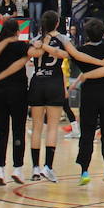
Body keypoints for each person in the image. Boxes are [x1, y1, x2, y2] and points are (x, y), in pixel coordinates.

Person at [66, 19, 104, 185]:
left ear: (86, 34)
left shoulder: (81, 50)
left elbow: (68, 53)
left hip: (89, 95)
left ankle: (84, 171)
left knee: (87, 133)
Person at [22, 11, 70, 182]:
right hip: (54, 82)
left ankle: (35, 167)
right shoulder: (63, 39)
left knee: (36, 128)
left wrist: (41, 45)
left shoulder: (36, 38)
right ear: (57, 23)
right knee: (52, 127)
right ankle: (47, 167)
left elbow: (31, 54)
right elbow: (65, 55)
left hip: (37, 81)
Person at [0, 19, 32, 185]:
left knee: (1, 132)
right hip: (17, 93)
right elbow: (35, 53)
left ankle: (0, 169)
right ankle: (18, 168)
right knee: (18, 130)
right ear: (17, 32)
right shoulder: (21, 46)